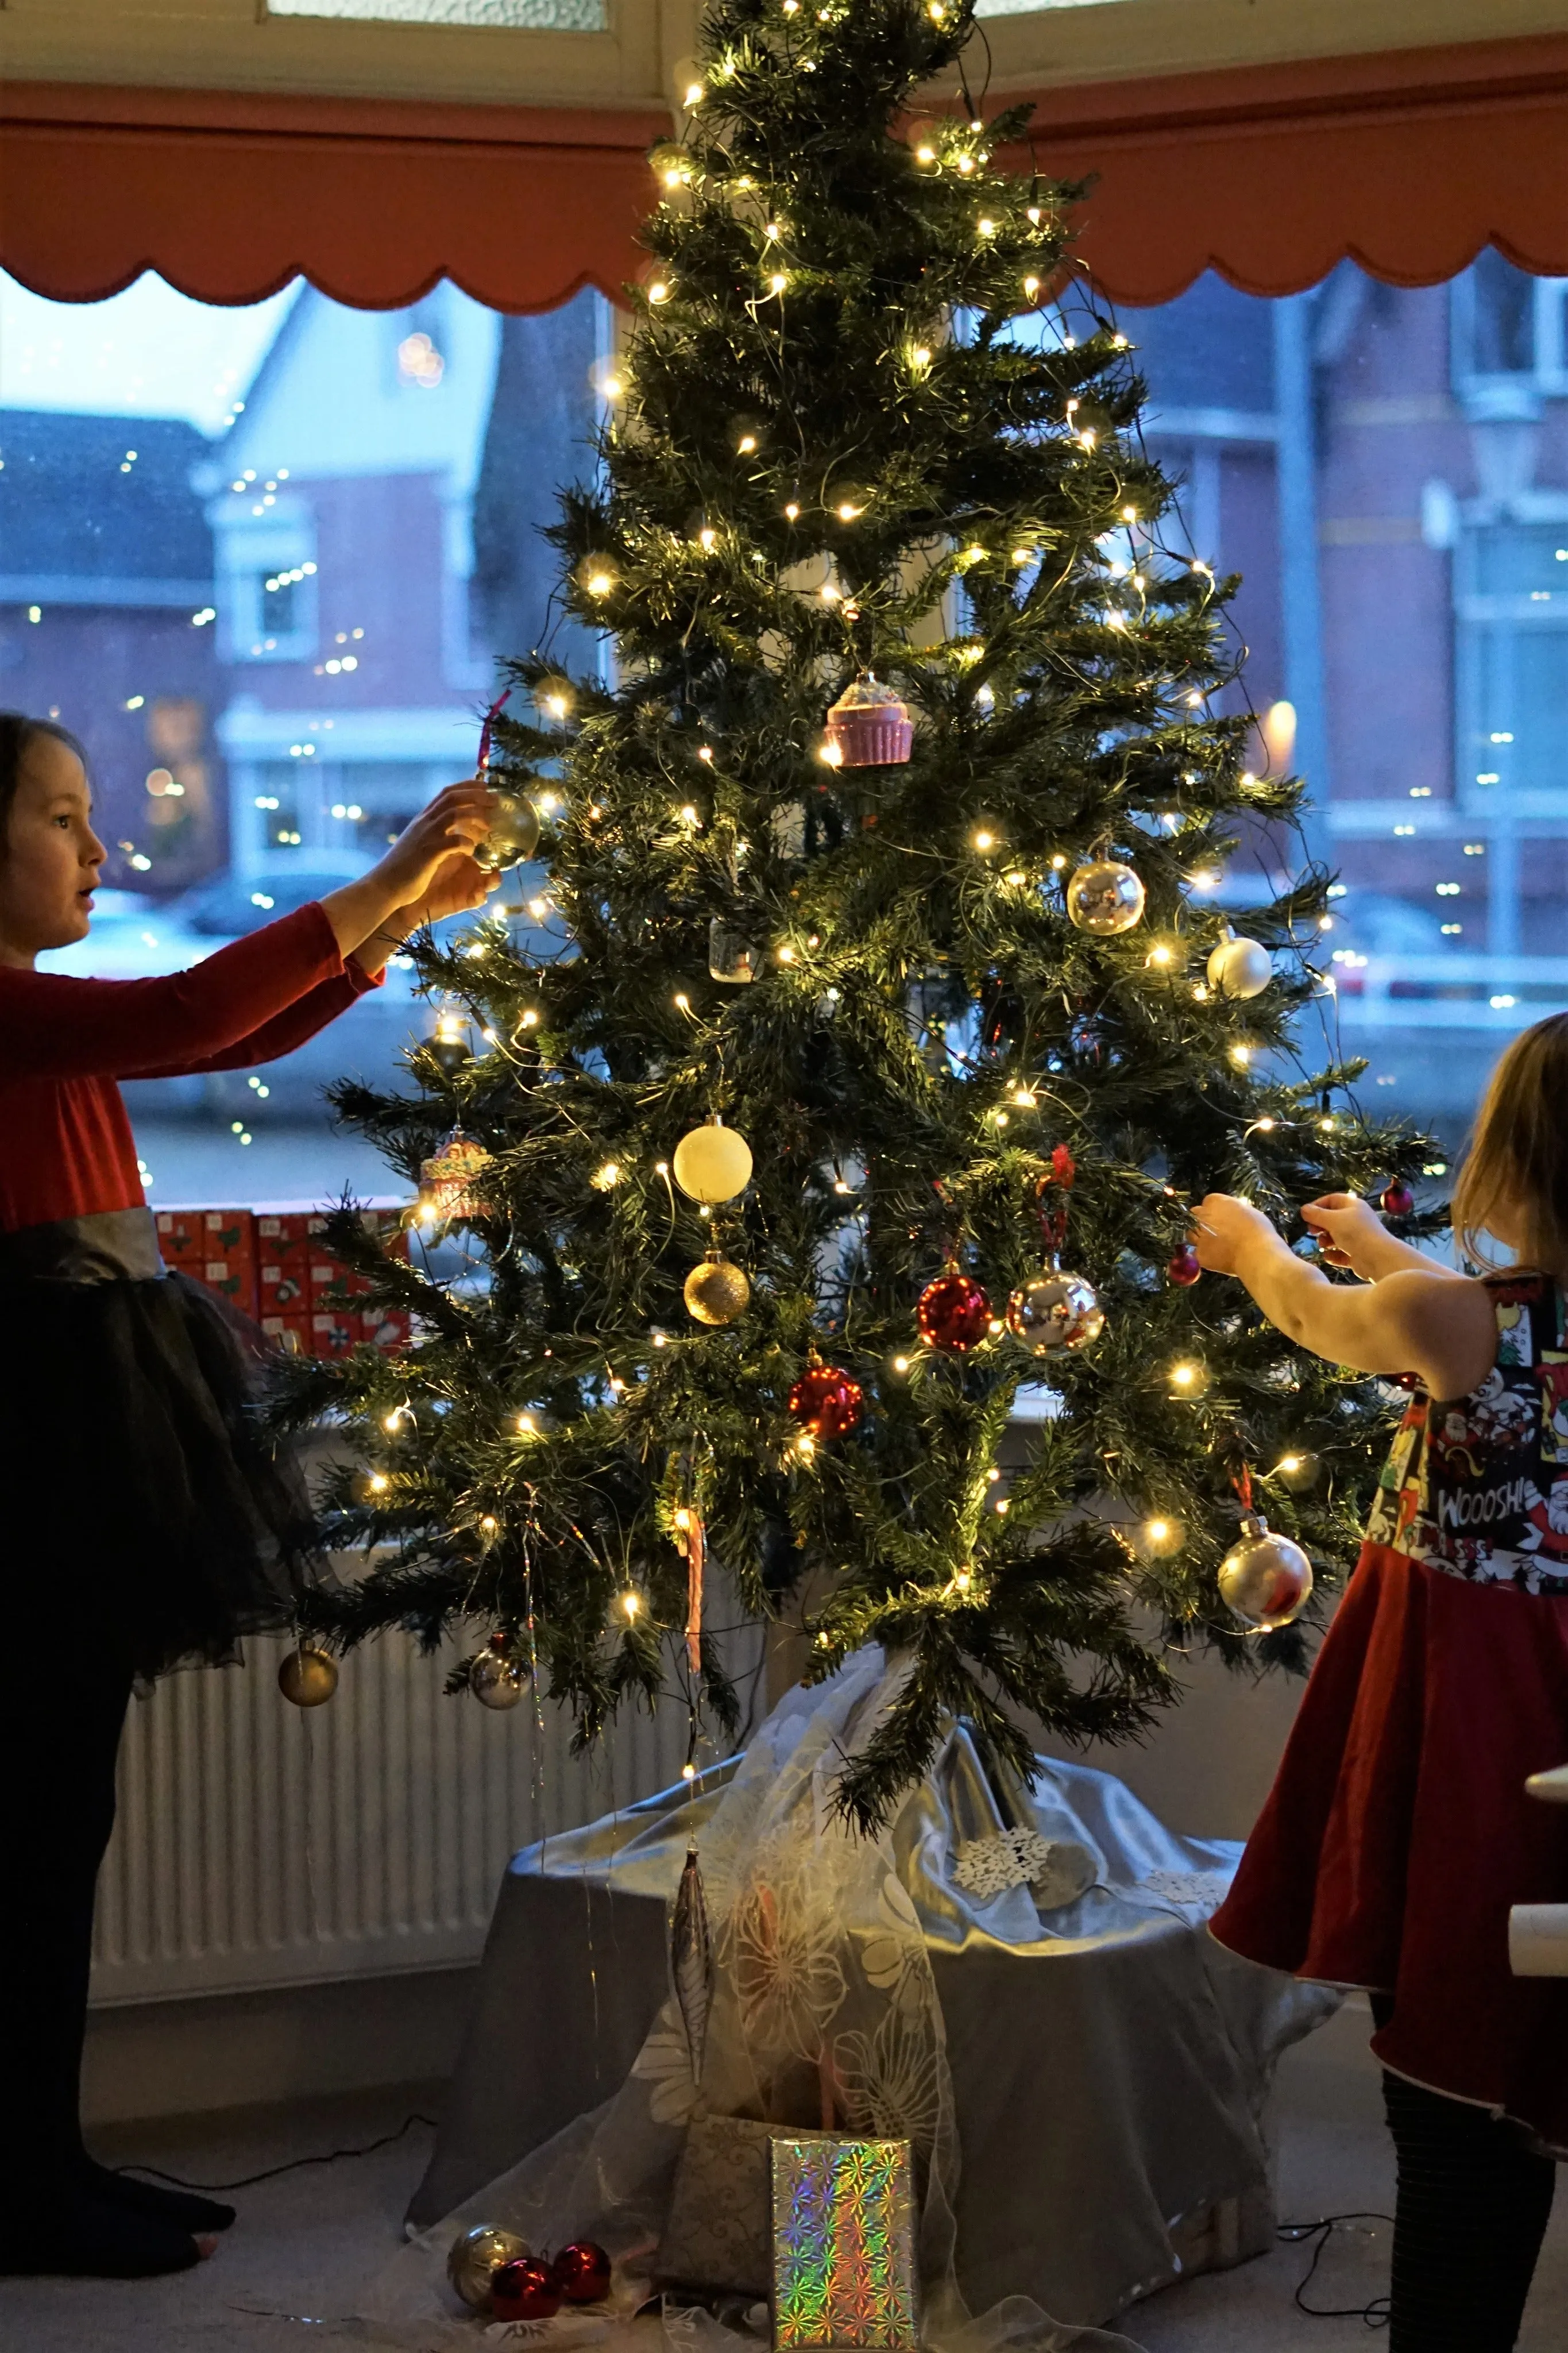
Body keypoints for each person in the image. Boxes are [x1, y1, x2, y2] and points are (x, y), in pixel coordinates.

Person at [0, 712, 499, 2279]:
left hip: (79, 1409)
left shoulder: (38, 1014)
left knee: (56, 1810)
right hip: (29, 1426)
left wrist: (400, 924)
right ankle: (20, 2185)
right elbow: (197, 1004)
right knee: (26, 1815)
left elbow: (221, 1037)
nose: (98, 851)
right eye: (65, 818)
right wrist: (396, 868)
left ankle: (43, 2159)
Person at [1192, 1016, 1568, 2353]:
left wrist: (1262, 1253)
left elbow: (1325, 1320)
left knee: (1458, 2062)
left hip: (1478, 1720)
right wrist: (1370, 1241)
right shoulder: (1479, 1316)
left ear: (1513, 1158)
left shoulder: (1453, 1318)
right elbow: (1462, 1327)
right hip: (1554, 1699)